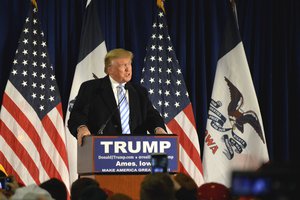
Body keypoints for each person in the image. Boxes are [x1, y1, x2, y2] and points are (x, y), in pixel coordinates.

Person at [68, 48, 166, 145]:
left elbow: (152, 116)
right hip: (102, 151)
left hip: (136, 150)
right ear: (110, 69)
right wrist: (81, 128)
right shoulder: (91, 88)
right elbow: (77, 115)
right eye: (123, 65)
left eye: (129, 64)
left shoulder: (139, 92)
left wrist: (158, 128)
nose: (128, 69)